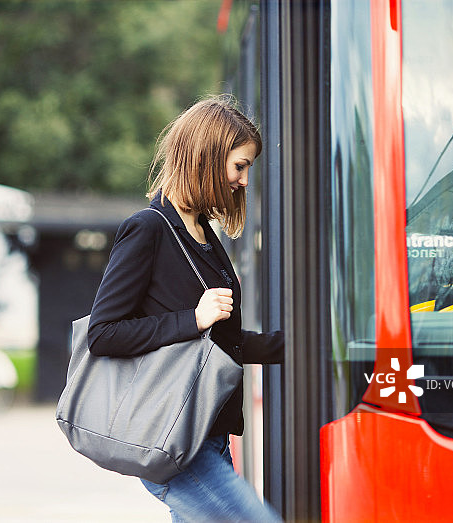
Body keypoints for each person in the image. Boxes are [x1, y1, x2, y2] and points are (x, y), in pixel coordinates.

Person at [87, 95, 284, 522]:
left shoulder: (204, 234)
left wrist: (294, 346)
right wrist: (190, 319)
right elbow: (103, 334)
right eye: (240, 166)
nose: (245, 181)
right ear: (207, 157)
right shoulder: (148, 229)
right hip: (173, 438)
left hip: (207, 435)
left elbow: (220, 342)